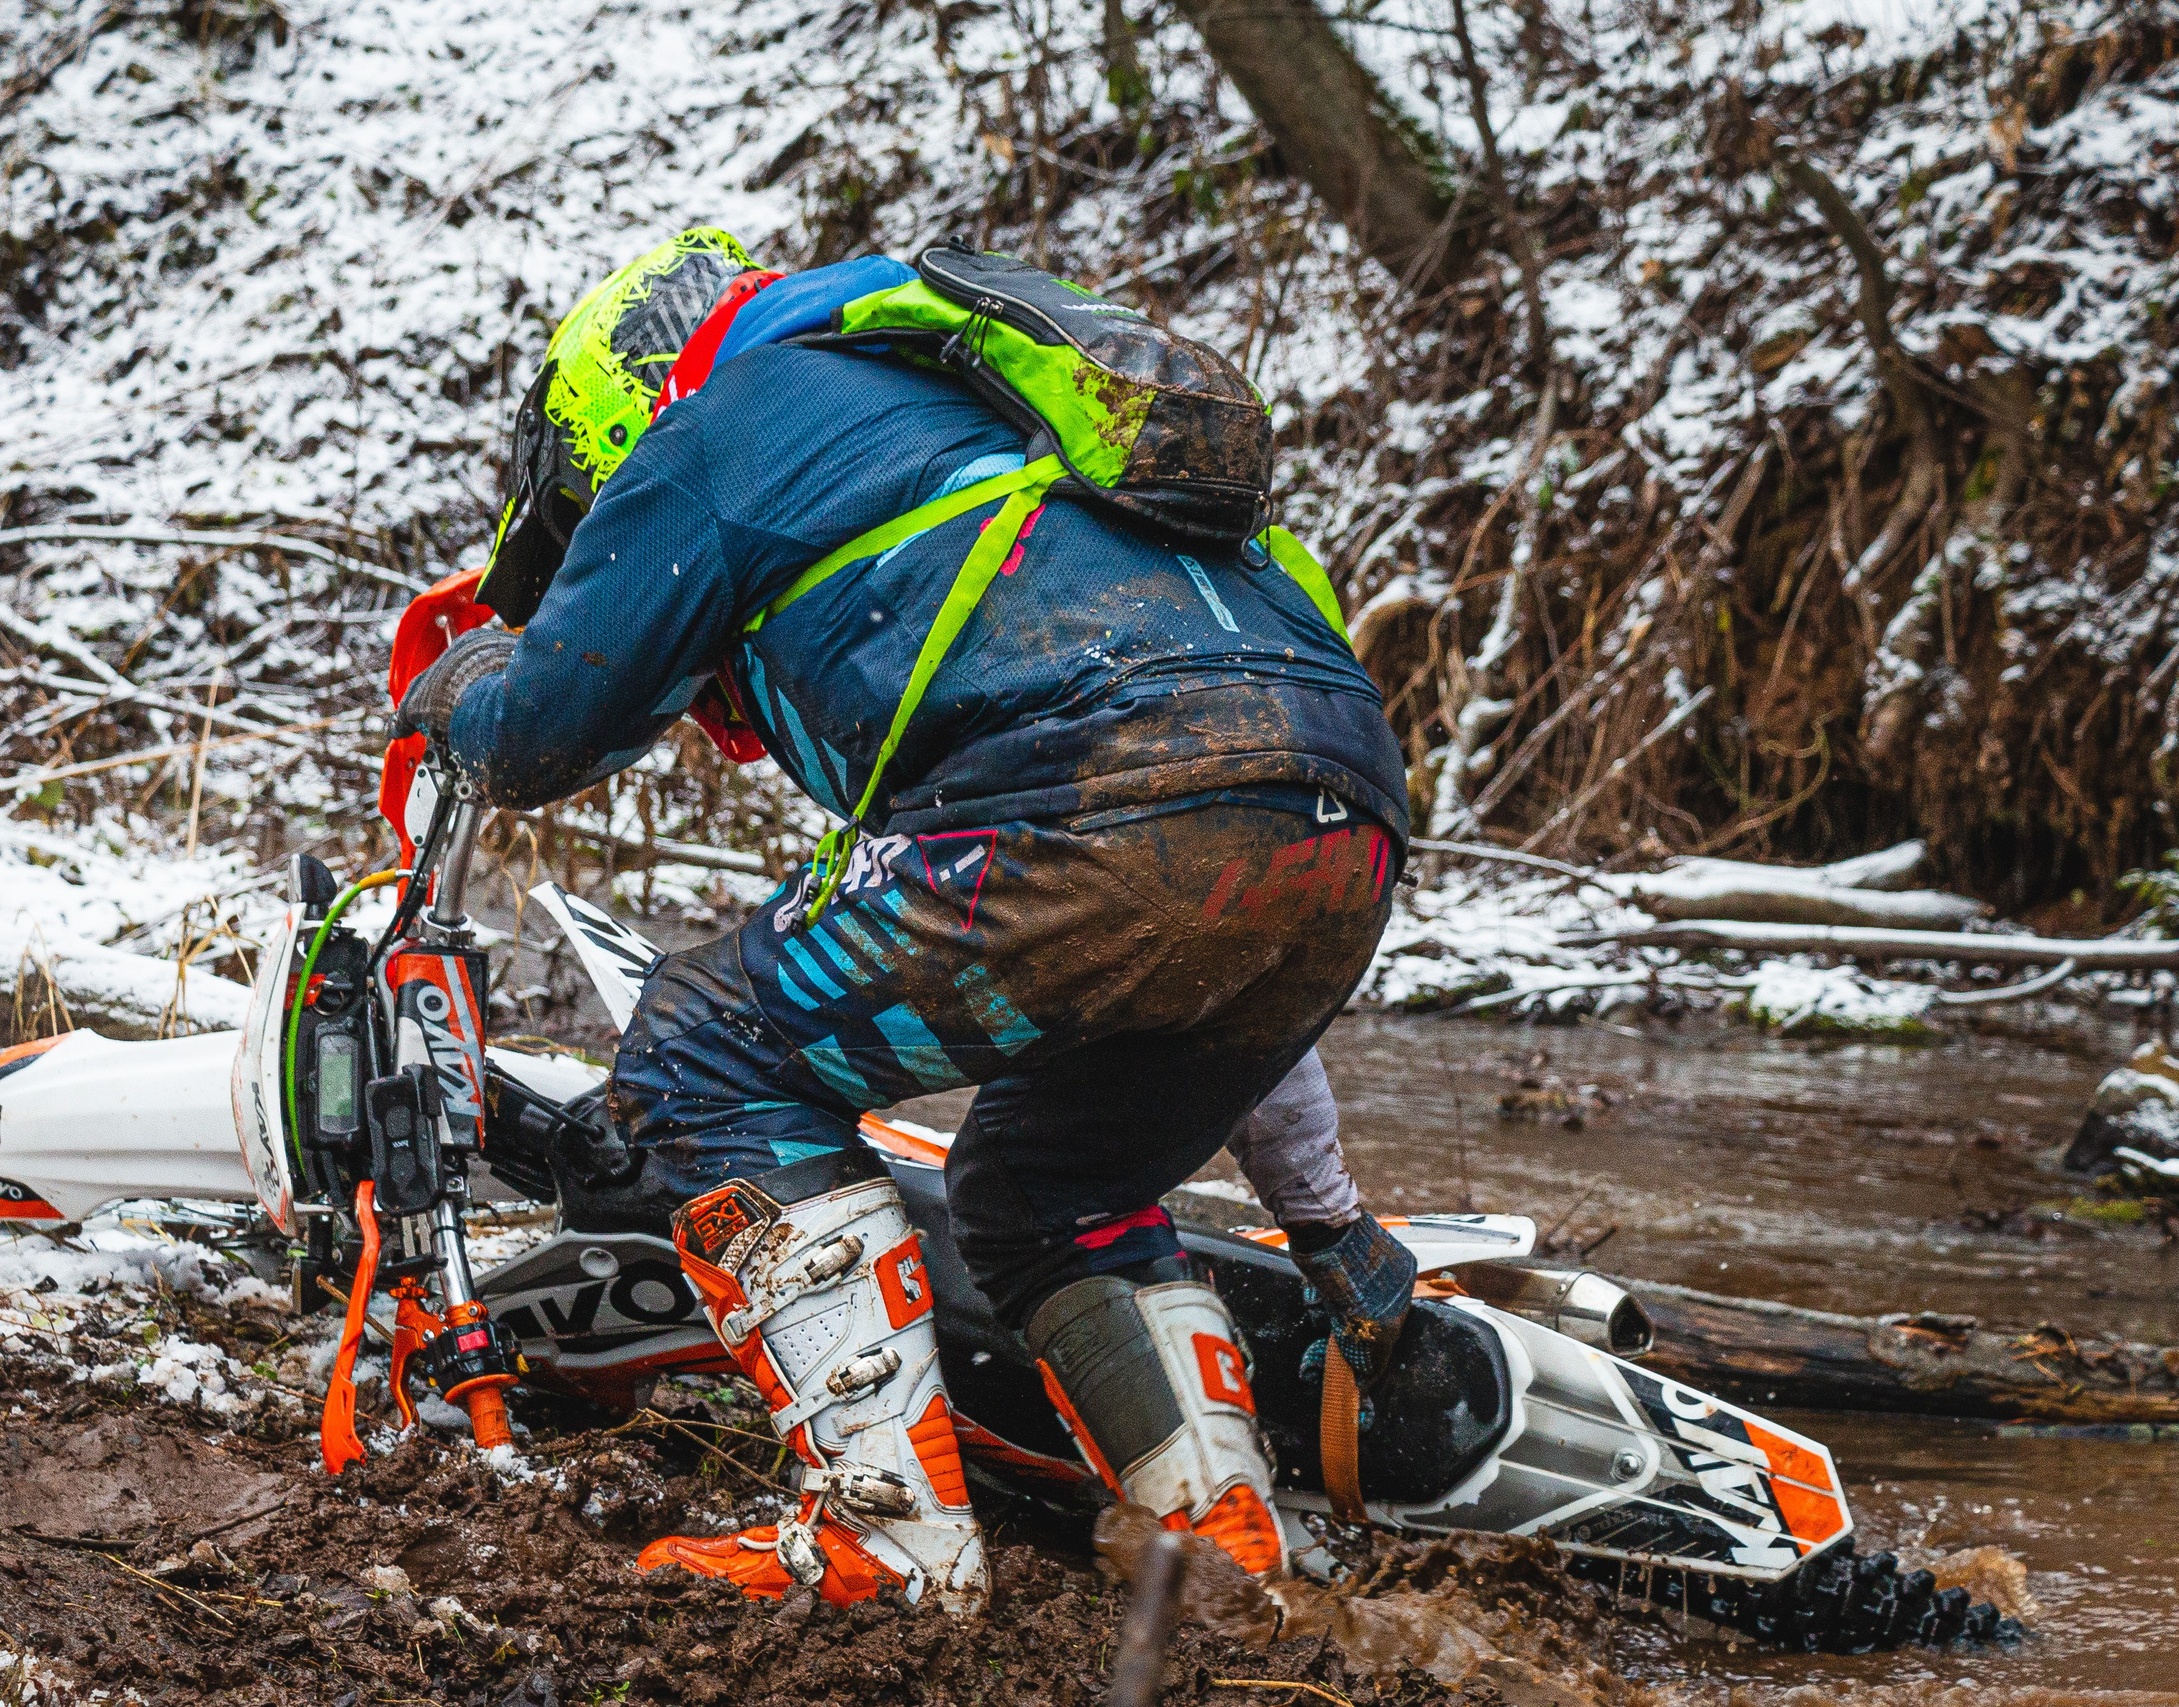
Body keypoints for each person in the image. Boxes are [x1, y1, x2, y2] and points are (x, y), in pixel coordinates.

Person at [395, 230, 1415, 1611]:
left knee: (699, 1050)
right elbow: (1211, 879)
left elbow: (535, 736)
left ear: (613, 412)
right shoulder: (986, 425)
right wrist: (1327, 1221)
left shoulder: (718, 429)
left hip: (1096, 808)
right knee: (1053, 1190)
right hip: (1344, 832)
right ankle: (1223, 1543)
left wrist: (459, 684)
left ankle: (884, 1529)